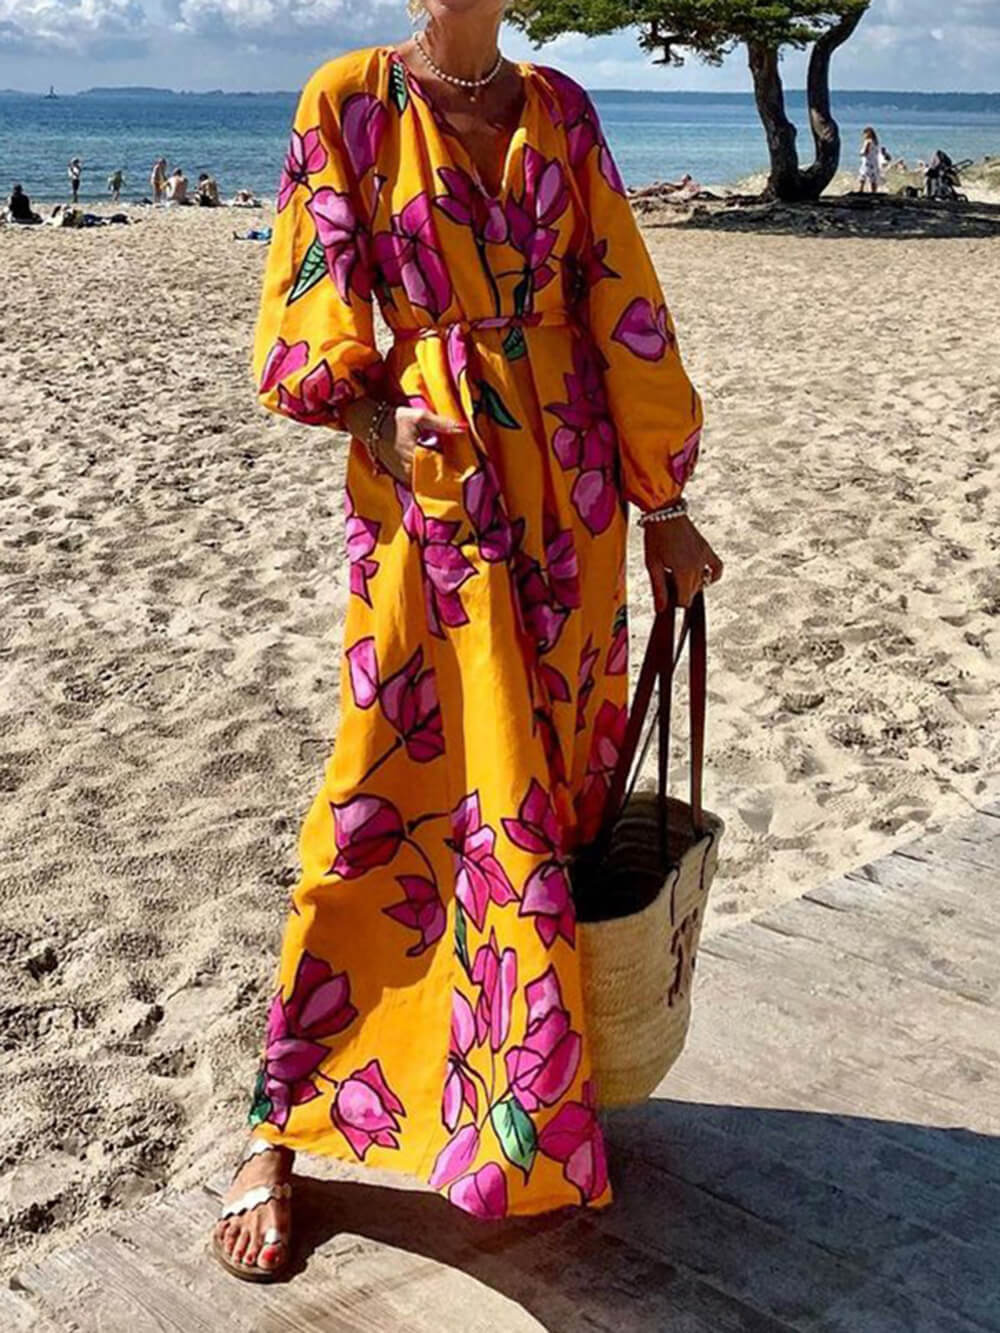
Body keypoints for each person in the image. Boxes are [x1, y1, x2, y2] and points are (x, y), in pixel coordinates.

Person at [211, 0, 722, 1284]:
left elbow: (625, 303)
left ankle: (522, 1102)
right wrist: (369, 418)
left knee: (549, 791)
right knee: (382, 793)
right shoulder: (350, 98)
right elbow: (310, 297)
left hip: (572, 496)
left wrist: (664, 503)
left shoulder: (561, 108)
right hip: (430, 485)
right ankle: (282, 1124)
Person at [858, 127, 881, 194]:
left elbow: (866, 152)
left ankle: (861, 190)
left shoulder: (868, 142)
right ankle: (874, 191)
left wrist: (861, 153)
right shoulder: (875, 142)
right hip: (874, 161)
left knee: (863, 175)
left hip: (867, 161)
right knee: (873, 177)